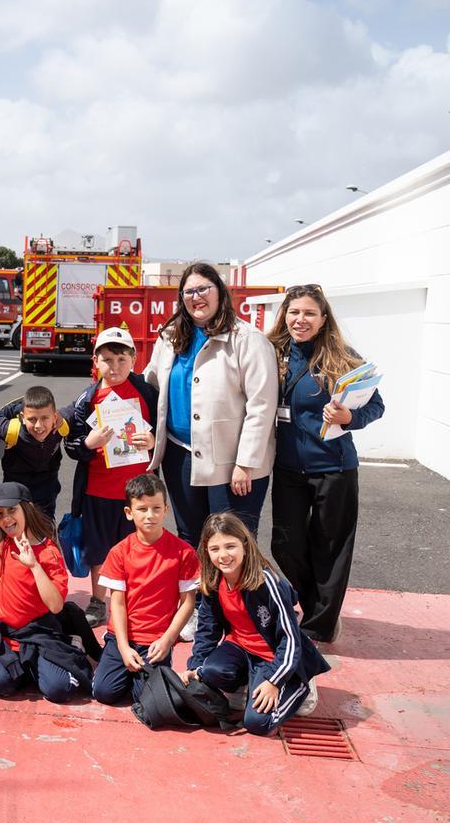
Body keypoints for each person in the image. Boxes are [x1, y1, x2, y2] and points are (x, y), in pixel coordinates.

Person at [144, 263, 278, 640]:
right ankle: (201, 609)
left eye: (203, 289)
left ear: (220, 292)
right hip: (180, 452)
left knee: (233, 541)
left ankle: (244, 615)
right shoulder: (171, 336)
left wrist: (246, 463)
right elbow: (153, 388)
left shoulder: (247, 339)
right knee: (191, 536)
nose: (196, 298)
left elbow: (262, 405)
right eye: (189, 292)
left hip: (232, 462)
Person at [267, 284, 385, 643]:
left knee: (330, 548)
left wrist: (350, 416)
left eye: (308, 313)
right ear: (284, 315)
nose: (300, 320)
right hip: (287, 468)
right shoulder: (273, 354)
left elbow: (376, 405)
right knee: (284, 544)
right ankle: (317, 605)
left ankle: (319, 627)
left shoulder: (341, 356)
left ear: (323, 319)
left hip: (334, 468)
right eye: (294, 312)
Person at [185, 512, 330, 735]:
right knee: (210, 671)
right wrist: (194, 666)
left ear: (245, 545)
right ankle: (250, 682)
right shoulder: (213, 580)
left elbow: (290, 638)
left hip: (273, 656)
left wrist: (274, 680)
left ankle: (299, 684)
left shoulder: (267, 583)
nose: (223, 555)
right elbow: (207, 628)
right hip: (240, 647)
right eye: (215, 549)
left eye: (230, 546)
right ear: (206, 551)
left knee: (257, 724)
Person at [63, 327, 158, 628]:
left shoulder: (147, 392)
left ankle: (135, 601)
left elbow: (165, 428)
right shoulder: (88, 398)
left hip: (139, 491)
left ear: (134, 359)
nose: (114, 367)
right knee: (98, 550)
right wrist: (88, 444)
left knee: (140, 547)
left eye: (121, 359)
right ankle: (97, 600)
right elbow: (72, 444)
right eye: (107, 360)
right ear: (96, 361)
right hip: (98, 489)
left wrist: (153, 441)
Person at [91, 474, 199, 705]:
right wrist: (122, 646)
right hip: (123, 636)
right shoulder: (120, 552)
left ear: (166, 509)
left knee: (148, 700)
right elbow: (117, 604)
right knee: (103, 692)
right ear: (129, 513)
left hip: (157, 640)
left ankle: (145, 679)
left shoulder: (184, 552)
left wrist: (168, 639)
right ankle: (112, 660)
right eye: (142, 509)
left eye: (156, 508)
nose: (150, 515)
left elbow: (187, 602)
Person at [0, 482, 94, 703]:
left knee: (59, 690)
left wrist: (34, 565)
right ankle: (28, 666)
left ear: (28, 508)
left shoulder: (49, 552)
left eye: (11, 510)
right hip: (6, 633)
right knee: (1, 684)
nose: (5, 519)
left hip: (39, 633)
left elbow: (55, 606)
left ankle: (60, 649)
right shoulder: (3, 544)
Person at [0, 386, 69, 521]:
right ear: (22, 418)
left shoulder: (61, 426)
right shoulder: (11, 430)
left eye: (45, 418)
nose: (38, 426)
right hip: (15, 498)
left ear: (55, 417)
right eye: (32, 419)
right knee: (13, 535)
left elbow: (74, 409)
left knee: (44, 534)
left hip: (46, 499)